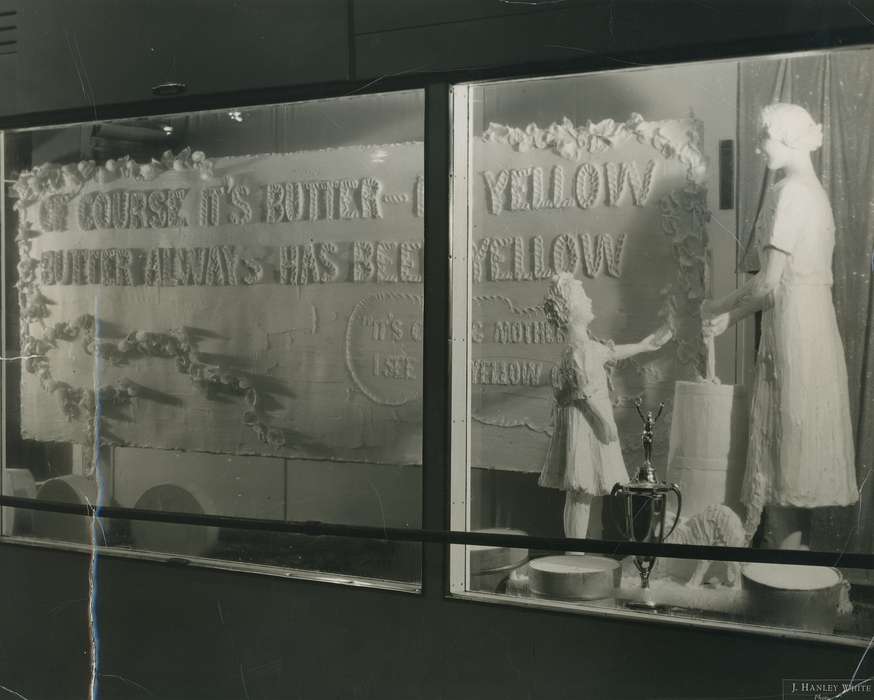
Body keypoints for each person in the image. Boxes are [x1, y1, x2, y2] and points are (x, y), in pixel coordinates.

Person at [703, 102, 858, 546]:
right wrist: (730, 316)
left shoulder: (789, 192)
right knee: (795, 459)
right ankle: (792, 574)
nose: (758, 148)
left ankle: (780, 583)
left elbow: (768, 283)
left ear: (788, 138)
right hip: (811, 327)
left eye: (764, 138)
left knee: (784, 456)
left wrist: (718, 308)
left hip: (793, 331)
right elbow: (779, 283)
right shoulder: (815, 191)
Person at [539, 272, 671, 539]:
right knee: (581, 492)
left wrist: (647, 345)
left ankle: (591, 546)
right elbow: (583, 394)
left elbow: (614, 352)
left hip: (589, 427)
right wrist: (603, 423)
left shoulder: (587, 347)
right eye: (583, 295)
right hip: (586, 427)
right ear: (570, 308)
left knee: (592, 488)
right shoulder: (580, 351)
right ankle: (575, 551)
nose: (589, 299)